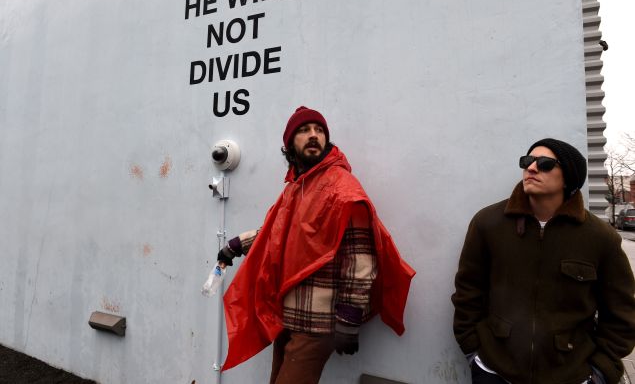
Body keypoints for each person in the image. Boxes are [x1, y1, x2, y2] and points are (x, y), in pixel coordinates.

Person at [216, 106, 415, 384]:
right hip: (288, 316)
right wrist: (236, 245)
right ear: (289, 144)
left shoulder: (342, 188)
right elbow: (278, 233)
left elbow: (360, 258)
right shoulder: (297, 186)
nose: (313, 136)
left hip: (317, 324)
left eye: (319, 130)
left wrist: (349, 318)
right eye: (304, 131)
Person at [451, 138, 635, 384]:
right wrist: (474, 352)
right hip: (494, 371)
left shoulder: (600, 237)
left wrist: (600, 372)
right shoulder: (488, 223)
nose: (531, 168)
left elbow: (622, 314)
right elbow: (468, 292)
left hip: (571, 375)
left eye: (545, 163)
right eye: (527, 161)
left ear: (568, 176)